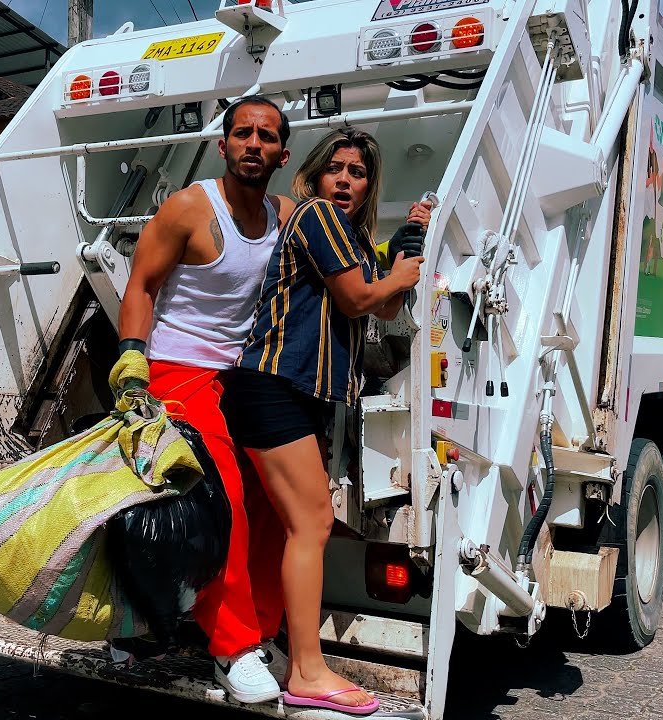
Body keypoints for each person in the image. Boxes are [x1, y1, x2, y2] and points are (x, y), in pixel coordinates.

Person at [220, 128, 429, 715]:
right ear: (313, 177)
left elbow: (383, 301)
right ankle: (308, 671)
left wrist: (407, 244)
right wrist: (398, 277)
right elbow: (359, 300)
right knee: (311, 524)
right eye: (335, 169)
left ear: (368, 186)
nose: (345, 179)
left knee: (287, 526)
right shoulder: (315, 216)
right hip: (272, 384)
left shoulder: (354, 237)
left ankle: (272, 646)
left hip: (299, 393)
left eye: (357, 173)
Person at [114, 95, 295, 704]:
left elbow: (342, 250)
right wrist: (131, 359)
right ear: (223, 145)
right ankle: (232, 648)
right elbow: (141, 285)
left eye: (266, 136)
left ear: (282, 152)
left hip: (244, 376)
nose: (253, 144)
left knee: (279, 503)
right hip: (177, 369)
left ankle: (262, 632)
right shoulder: (191, 207)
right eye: (242, 133)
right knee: (229, 502)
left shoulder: (286, 214)